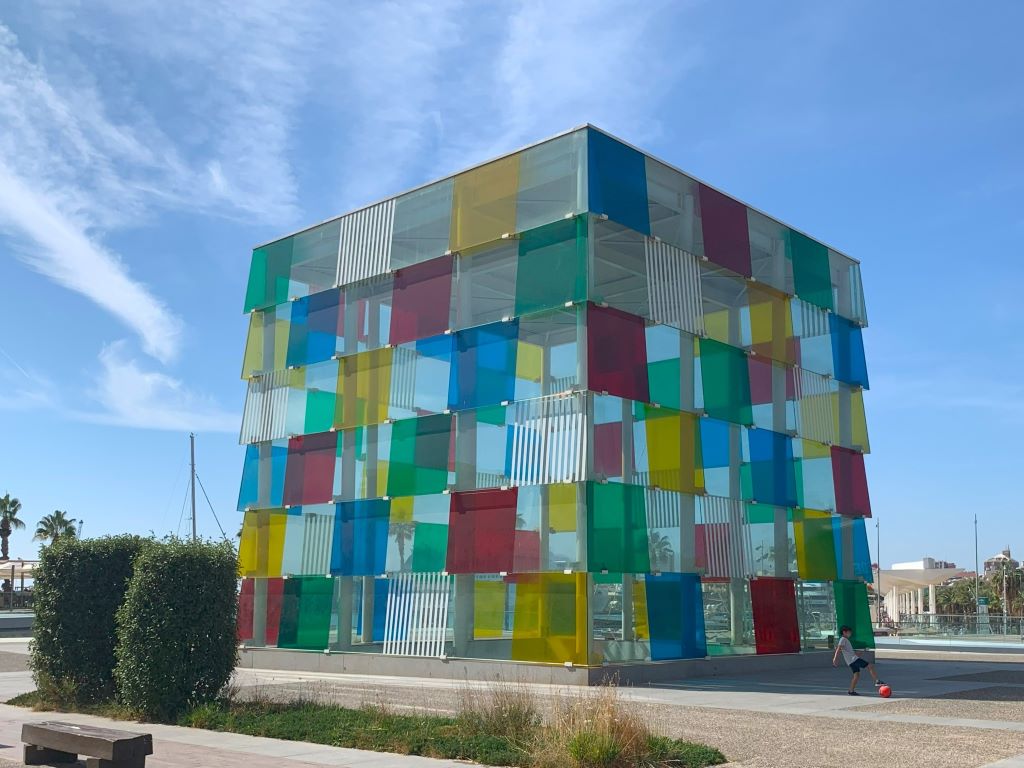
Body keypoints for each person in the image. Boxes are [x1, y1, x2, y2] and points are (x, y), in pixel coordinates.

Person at [832, 625, 885, 695]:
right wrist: (835, 659)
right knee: (870, 666)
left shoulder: (845, 640)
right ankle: (877, 681)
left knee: (856, 675)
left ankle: (851, 691)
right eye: (849, 632)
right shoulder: (843, 639)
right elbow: (838, 649)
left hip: (851, 661)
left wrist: (857, 654)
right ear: (844, 632)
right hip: (853, 660)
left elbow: (848, 652)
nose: (850, 634)